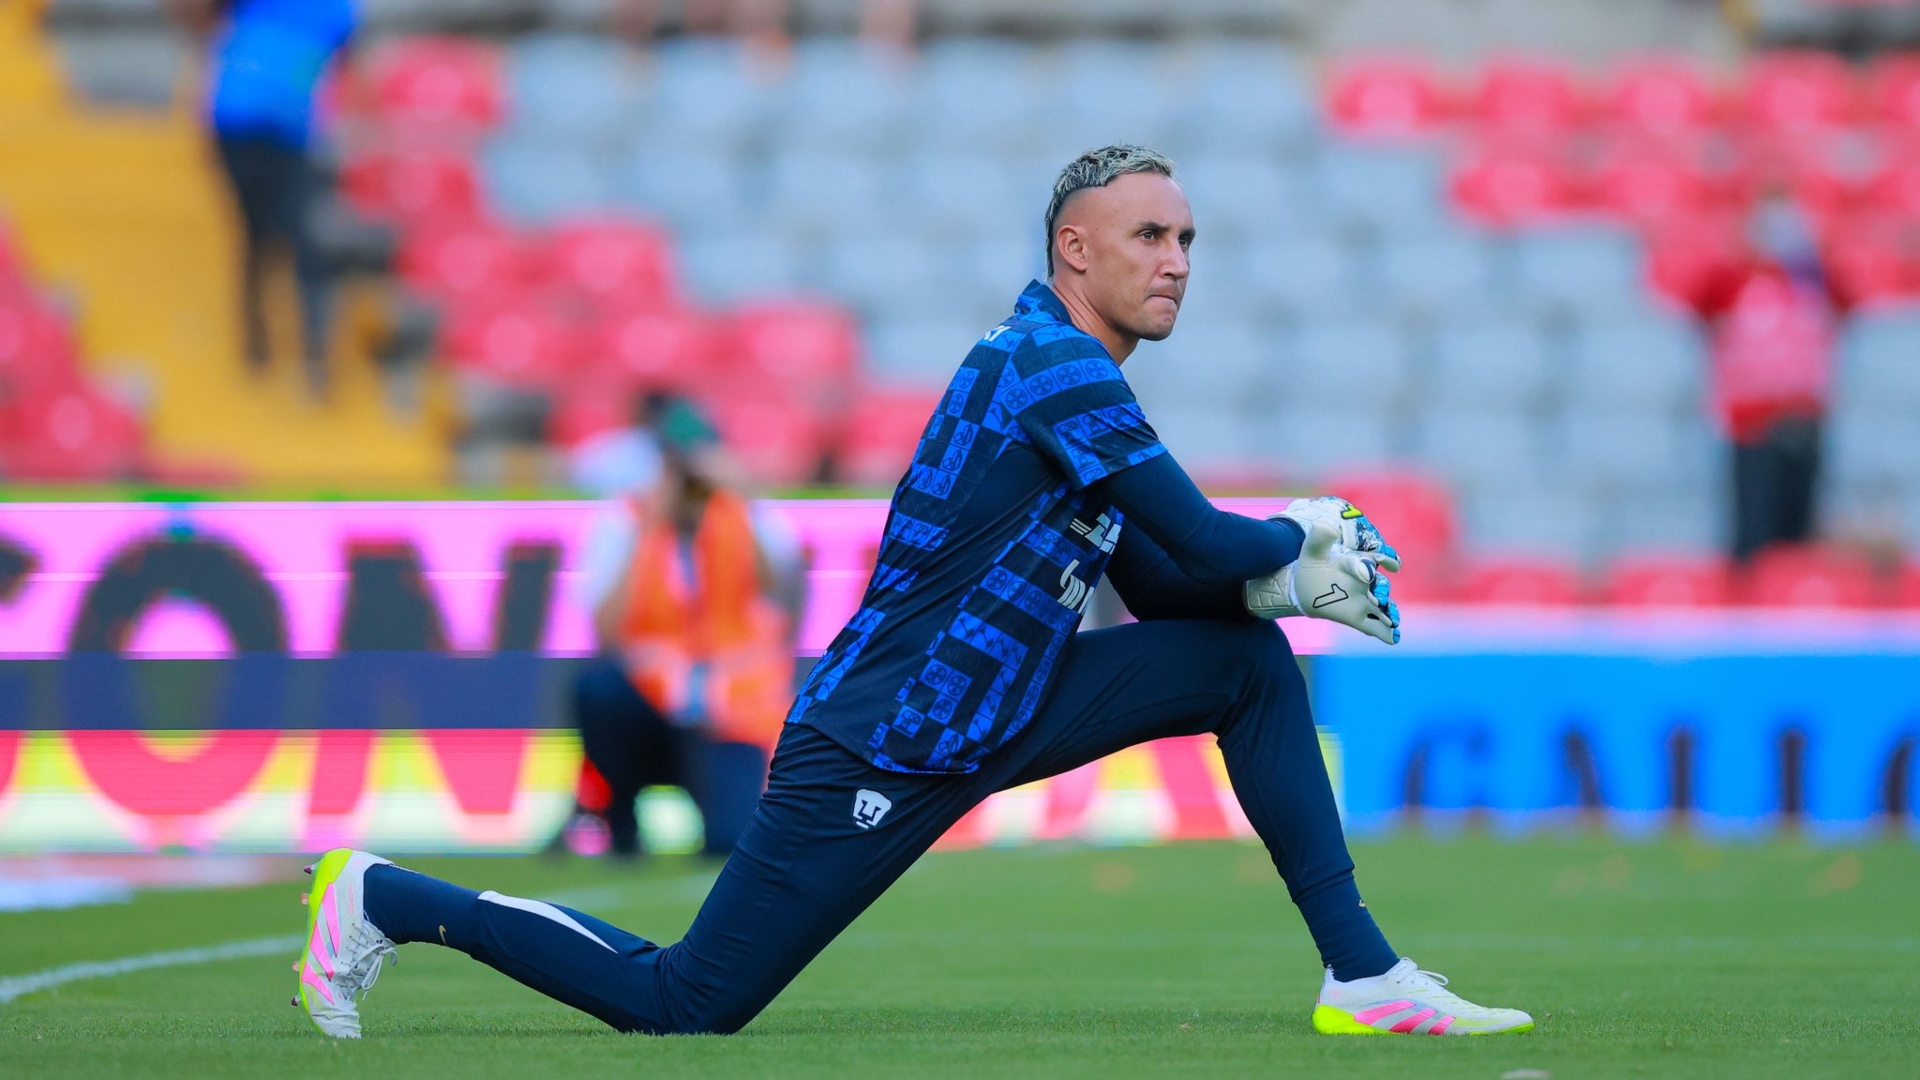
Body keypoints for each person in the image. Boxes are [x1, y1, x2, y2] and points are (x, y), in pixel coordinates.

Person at [287, 146, 1534, 1040]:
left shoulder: (1068, 375)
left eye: (1188, 239)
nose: (1176, 261)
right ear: (1073, 250)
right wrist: (1290, 544)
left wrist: (1269, 583)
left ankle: (1362, 973)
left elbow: (1168, 581)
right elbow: (1207, 542)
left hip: (998, 706)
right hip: (885, 733)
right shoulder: (1048, 362)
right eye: (1150, 236)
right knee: (687, 1003)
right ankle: (381, 898)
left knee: (1242, 665)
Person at [555, 395, 802, 859]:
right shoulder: (627, 519)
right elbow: (605, 629)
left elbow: (780, 593)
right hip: (652, 701)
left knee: (731, 843)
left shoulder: (747, 515)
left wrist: (742, 500)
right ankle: (621, 819)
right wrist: (648, 530)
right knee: (598, 689)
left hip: (727, 709)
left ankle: (715, 808)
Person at [168, 0, 355, 397]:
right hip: (237, 122)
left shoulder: (339, 7)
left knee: (302, 240)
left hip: (291, 133)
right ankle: (258, 342)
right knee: (257, 234)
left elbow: (347, 62)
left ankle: (311, 353)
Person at [1694, 187, 1843, 562]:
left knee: (1799, 534)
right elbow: (1699, 300)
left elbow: (1849, 302)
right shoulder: (1735, 280)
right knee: (1754, 531)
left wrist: (1808, 258)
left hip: (1804, 423)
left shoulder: (1811, 279)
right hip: (1752, 426)